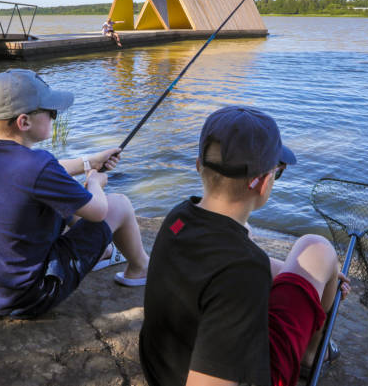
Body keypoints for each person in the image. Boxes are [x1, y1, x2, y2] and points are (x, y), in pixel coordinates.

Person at [139, 106, 351, 386]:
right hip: (252, 375)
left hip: (163, 368)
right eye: (278, 171)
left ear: (198, 165)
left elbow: (230, 263)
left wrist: (292, 273)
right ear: (264, 183)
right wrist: (313, 277)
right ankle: (310, 356)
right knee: (317, 248)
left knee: (245, 233)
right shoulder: (243, 272)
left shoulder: (178, 219)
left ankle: (312, 326)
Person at [0, 69, 149, 319]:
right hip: (30, 297)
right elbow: (99, 211)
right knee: (119, 205)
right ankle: (141, 268)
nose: (54, 117)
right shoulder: (38, 166)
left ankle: (100, 252)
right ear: (24, 122)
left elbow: (50, 171)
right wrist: (94, 182)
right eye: (51, 112)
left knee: (58, 198)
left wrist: (89, 161)